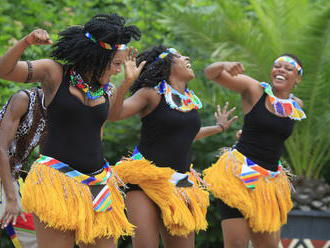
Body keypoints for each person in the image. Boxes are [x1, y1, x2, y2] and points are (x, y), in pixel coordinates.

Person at [0, 13, 145, 248]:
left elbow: (114, 116)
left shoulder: (105, 90)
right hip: (57, 181)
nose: (119, 70)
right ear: (97, 57)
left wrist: (127, 83)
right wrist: (25, 42)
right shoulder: (55, 73)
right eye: (116, 64)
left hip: (98, 182)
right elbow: (5, 71)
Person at [110, 45, 237, 248]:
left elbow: (185, 136)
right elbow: (114, 115)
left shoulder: (188, 99)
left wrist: (219, 127)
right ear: (165, 64)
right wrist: (126, 82)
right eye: (179, 56)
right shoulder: (150, 94)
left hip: (179, 181)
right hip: (144, 178)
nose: (186, 57)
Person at [203, 54, 306, 248]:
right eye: (277, 66)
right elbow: (211, 73)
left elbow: (272, 134)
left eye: (288, 68)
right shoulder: (255, 89)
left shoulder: (296, 106)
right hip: (239, 175)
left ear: (297, 78)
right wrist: (224, 64)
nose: (281, 70)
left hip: (269, 182)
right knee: (237, 244)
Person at [0, 87, 46, 248]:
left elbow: (46, 156)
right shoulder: (24, 99)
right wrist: (11, 198)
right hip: (5, 176)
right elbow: (1, 148)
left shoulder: (57, 111)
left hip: (12, 175)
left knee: (38, 241)